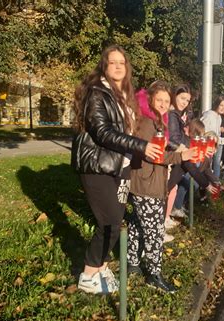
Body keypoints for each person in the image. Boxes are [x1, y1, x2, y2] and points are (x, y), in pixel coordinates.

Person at [71, 45, 163, 295]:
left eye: (122, 62)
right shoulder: (97, 92)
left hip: (119, 165)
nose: (118, 66)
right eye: (113, 62)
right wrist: (141, 146)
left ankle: (100, 266)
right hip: (97, 165)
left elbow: (131, 127)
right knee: (109, 222)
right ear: (104, 66)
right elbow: (103, 132)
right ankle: (89, 274)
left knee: (115, 220)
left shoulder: (122, 94)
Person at [127, 80, 196, 293]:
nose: (164, 104)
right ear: (150, 99)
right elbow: (156, 155)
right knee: (155, 229)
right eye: (160, 100)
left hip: (149, 181)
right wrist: (180, 156)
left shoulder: (157, 121)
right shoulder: (147, 122)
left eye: (167, 101)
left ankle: (132, 263)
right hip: (146, 182)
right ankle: (154, 274)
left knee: (138, 223)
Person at [164, 84, 192, 233]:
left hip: (173, 155)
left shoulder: (178, 115)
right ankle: (161, 224)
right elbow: (173, 139)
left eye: (187, 100)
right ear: (174, 96)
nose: (184, 102)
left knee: (172, 188)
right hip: (169, 156)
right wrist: (184, 149)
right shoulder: (172, 114)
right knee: (167, 189)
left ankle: (165, 219)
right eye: (182, 98)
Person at [200, 96, 224, 178]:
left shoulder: (219, 117)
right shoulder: (208, 115)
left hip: (212, 147)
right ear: (216, 104)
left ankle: (214, 184)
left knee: (212, 166)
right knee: (200, 171)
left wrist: (223, 140)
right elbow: (201, 131)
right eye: (221, 105)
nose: (223, 108)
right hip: (204, 147)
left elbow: (216, 134)